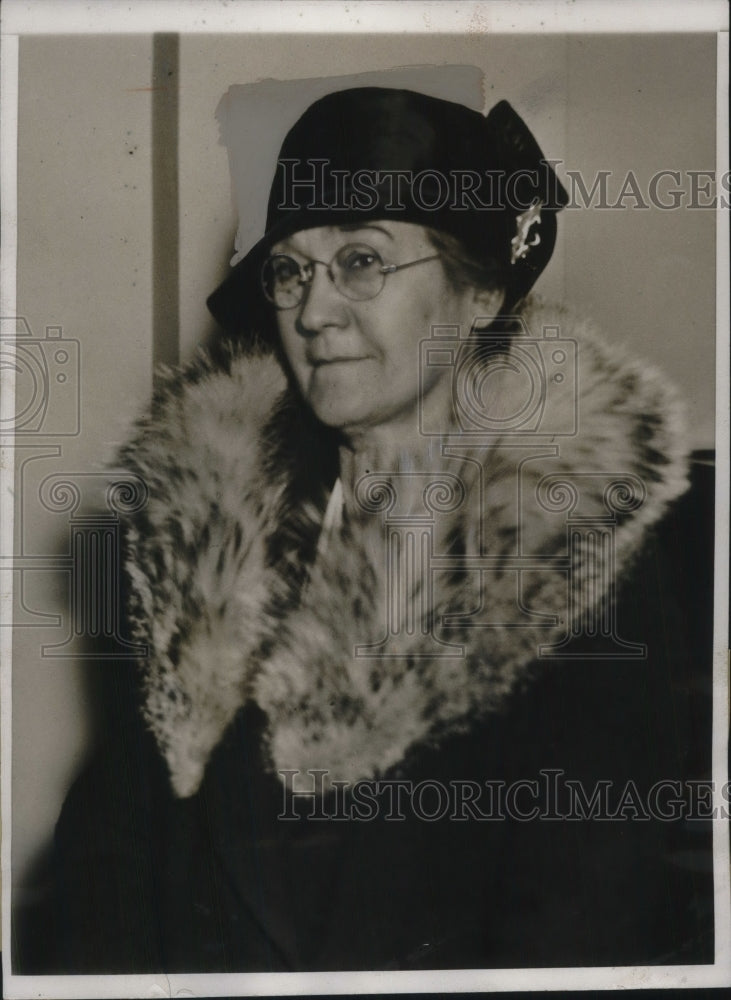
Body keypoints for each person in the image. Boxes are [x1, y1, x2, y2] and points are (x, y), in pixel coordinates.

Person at [41, 88, 713, 972]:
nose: (313, 312)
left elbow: (580, 931)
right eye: (290, 271)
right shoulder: (199, 546)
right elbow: (102, 875)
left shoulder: (584, 570)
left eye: (360, 260)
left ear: (479, 294)